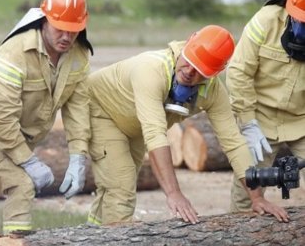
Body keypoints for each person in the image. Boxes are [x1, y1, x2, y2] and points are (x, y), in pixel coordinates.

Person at [85, 25, 289, 226]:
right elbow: (155, 135)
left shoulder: (214, 92)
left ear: (214, 74)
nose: (190, 72)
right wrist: (174, 193)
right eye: (190, 61)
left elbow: (234, 143)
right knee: (121, 186)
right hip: (102, 111)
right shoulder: (151, 70)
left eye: (200, 70)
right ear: (188, 43)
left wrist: (256, 198)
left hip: (132, 123)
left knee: (114, 186)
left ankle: (92, 237)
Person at [0, 0, 93, 235]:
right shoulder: (15, 51)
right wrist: (29, 162)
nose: (67, 37)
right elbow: (1, 120)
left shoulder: (79, 56)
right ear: (45, 19)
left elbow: (76, 110)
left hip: (23, 131)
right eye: (60, 29)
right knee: (21, 184)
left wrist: (78, 157)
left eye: (74, 31)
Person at [227, 0, 305, 213]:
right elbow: (239, 71)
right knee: (248, 188)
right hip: (260, 118)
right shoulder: (265, 20)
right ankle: (237, 243)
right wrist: (248, 123)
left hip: (302, 120)